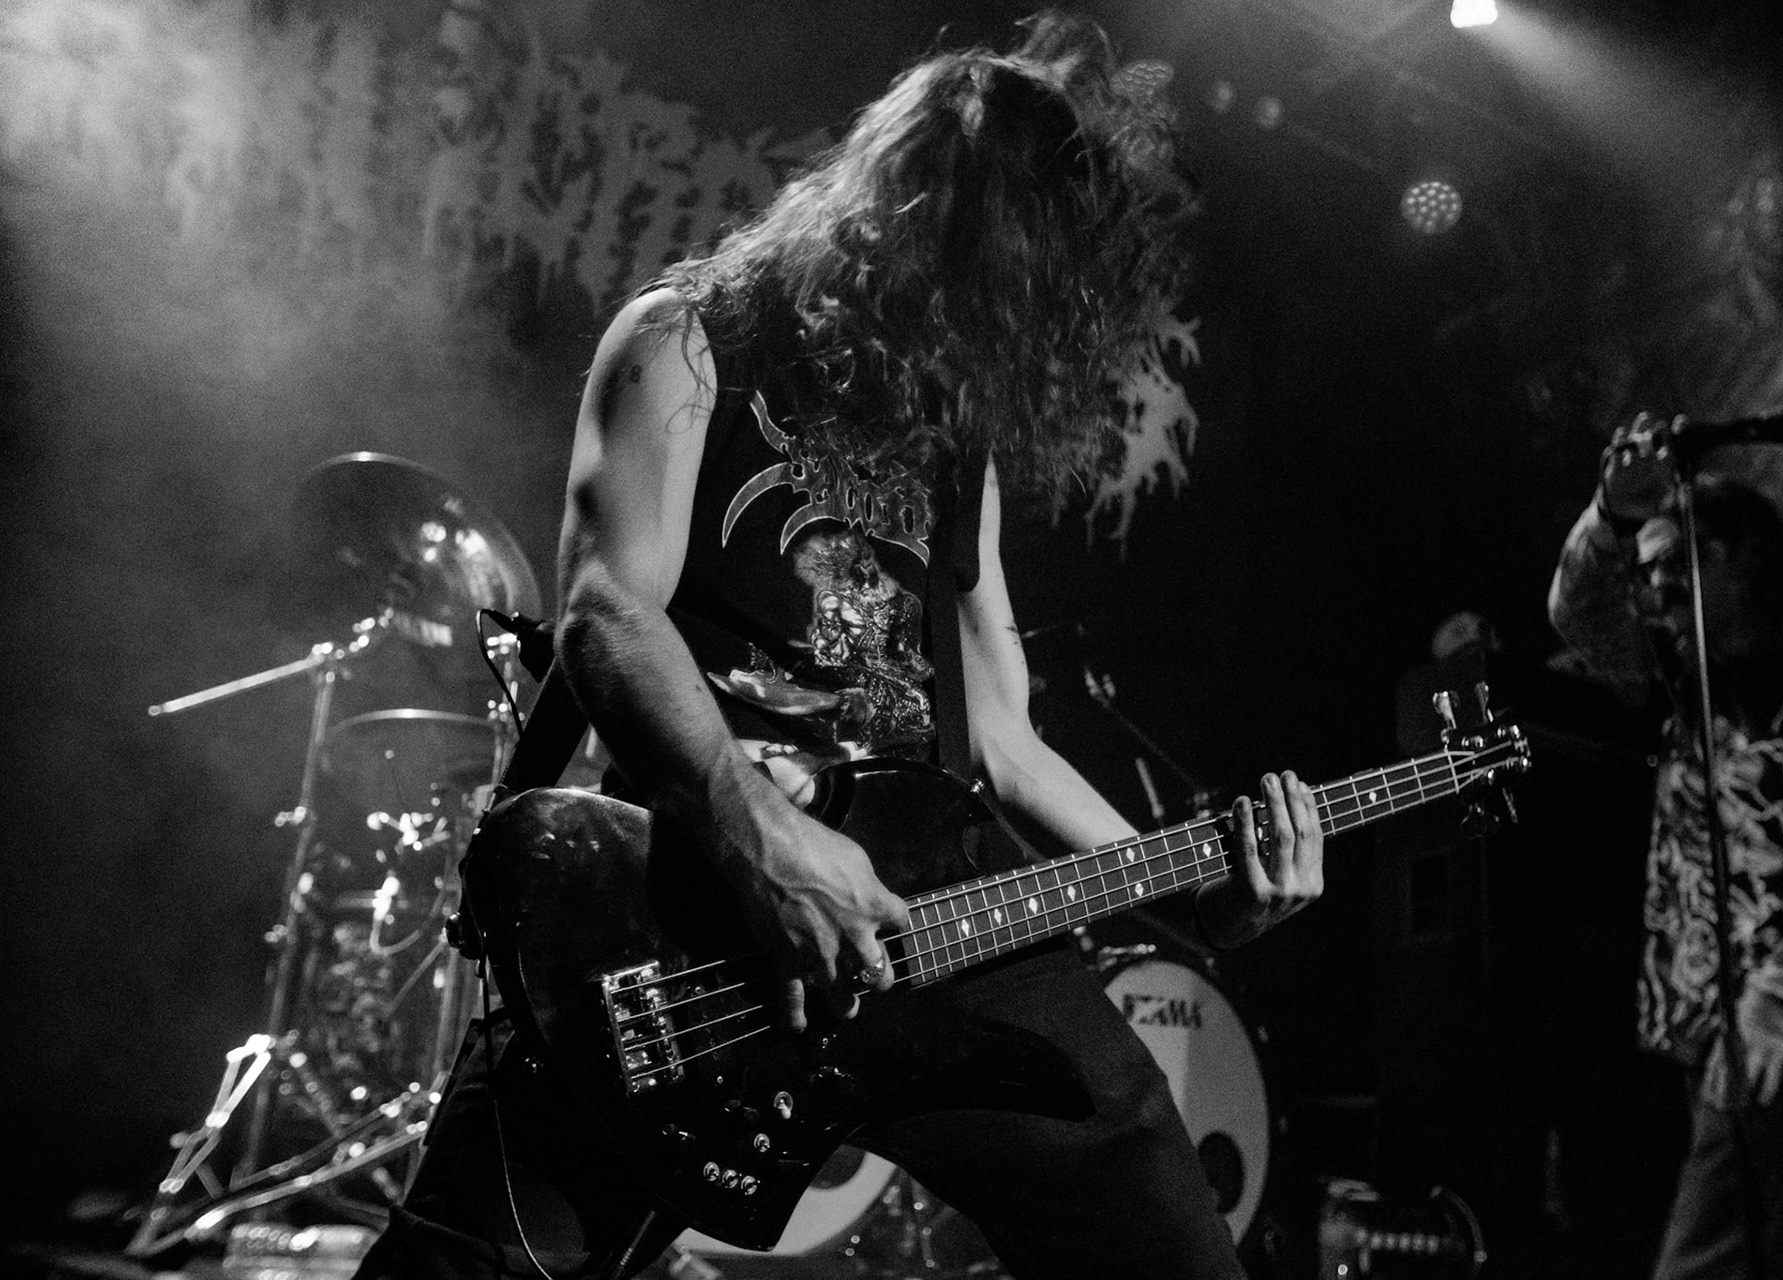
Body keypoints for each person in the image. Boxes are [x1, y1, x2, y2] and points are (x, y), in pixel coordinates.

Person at [355, 14, 1324, 1279]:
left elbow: (1005, 740)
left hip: (933, 903)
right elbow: (607, 612)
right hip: (690, 915)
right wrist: (763, 835)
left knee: (1154, 1213)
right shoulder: (685, 342)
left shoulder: (954, 442)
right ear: (905, 221)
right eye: (996, 278)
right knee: (471, 1262)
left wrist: (1192, 892)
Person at [1548, 418, 1783, 1279]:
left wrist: (1782, 1004)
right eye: (1647, 575)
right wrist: (1611, 512)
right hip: (1717, 1038)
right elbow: (1578, 613)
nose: (1655, 594)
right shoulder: (1693, 683)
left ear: (1742, 557)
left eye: (1674, 568)